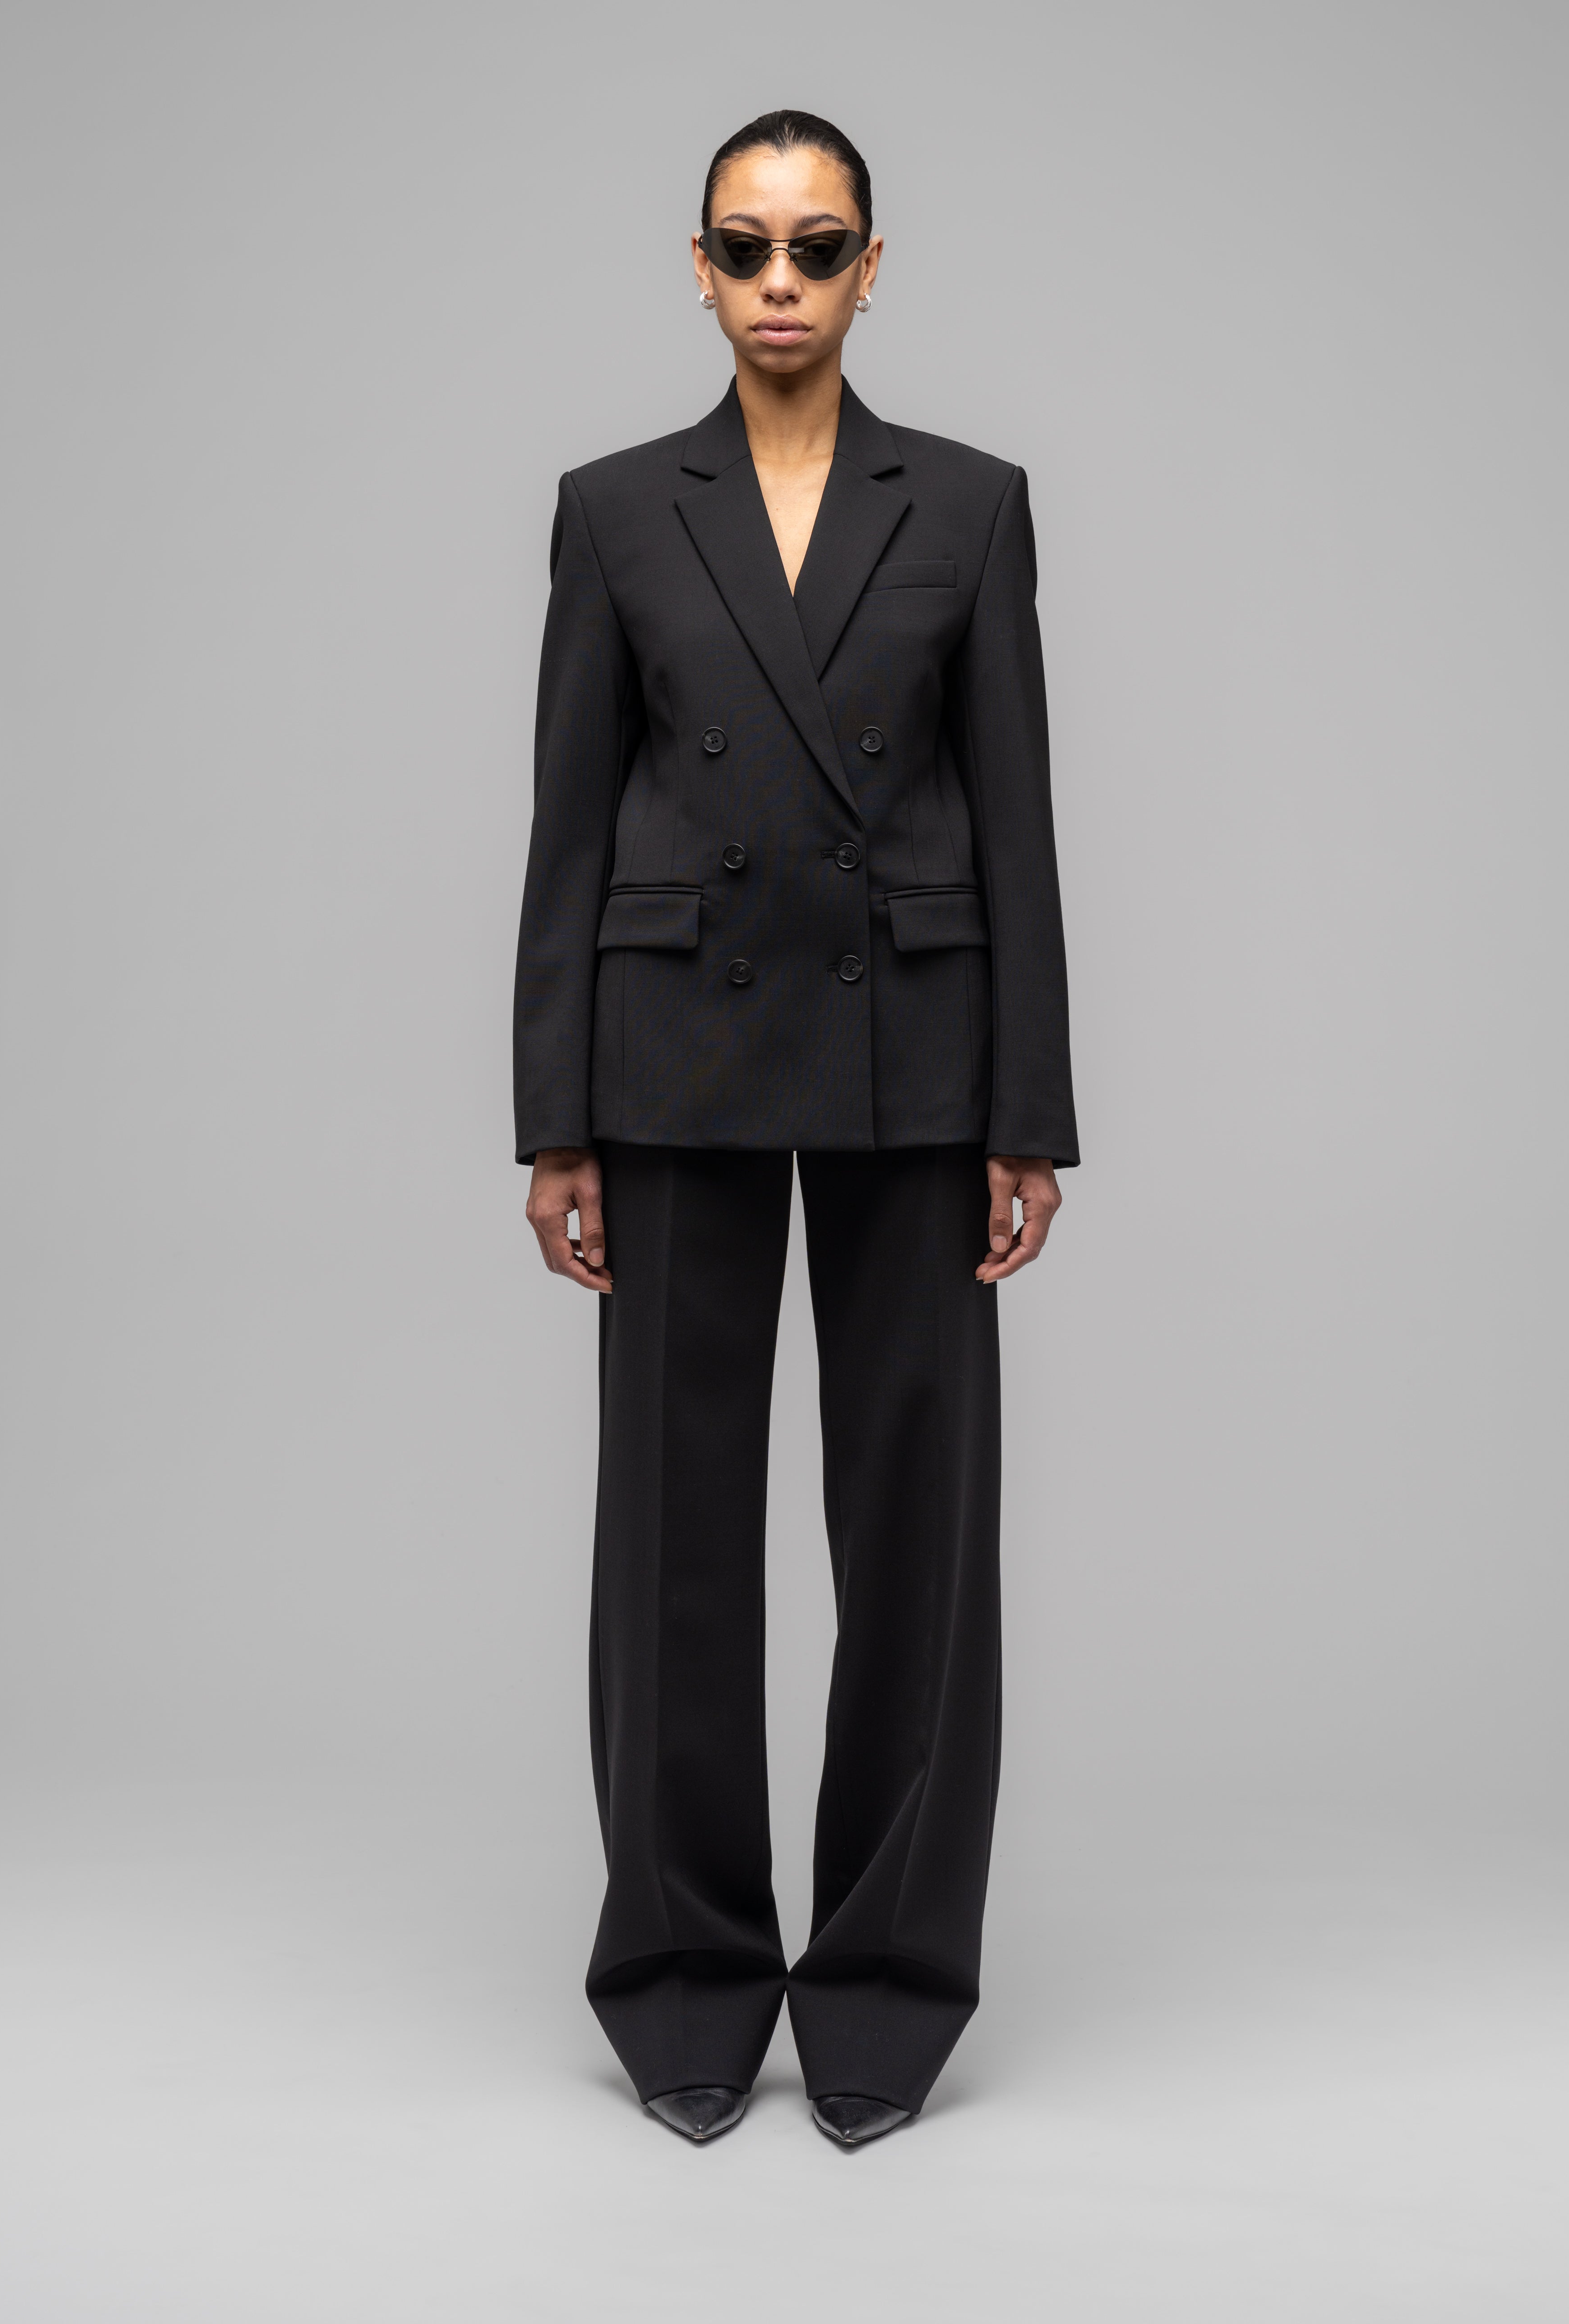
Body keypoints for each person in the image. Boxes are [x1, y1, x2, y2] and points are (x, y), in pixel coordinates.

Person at [514, 109, 1078, 2150]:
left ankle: (888, 1987)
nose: (780, 282)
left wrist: (1030, 1111)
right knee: (669, 1534)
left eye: (816, 246)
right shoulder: (613, 509)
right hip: (671, 1051)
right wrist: (554, 1119)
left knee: (920, 1538)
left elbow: (1014, 819)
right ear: (698, 267)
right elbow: (570, 827)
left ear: (869, 268)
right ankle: (681, 1976)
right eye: (746, 247)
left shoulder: (974, 505)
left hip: (913, 1055)